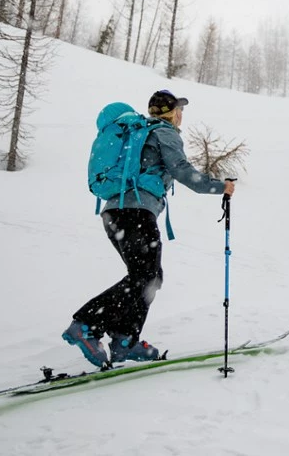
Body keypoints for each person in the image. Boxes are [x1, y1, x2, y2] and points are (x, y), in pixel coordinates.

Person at [63, 89, 235, 367]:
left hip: (115, 213)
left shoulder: (139, 133)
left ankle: (124, 339)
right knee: (146, 276)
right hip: (136, 211)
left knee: (148, 276)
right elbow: (182, 171)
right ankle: (86, 325)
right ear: (173, 112)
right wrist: (220, 187)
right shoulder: (164, 132)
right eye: (180, 110)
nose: (182, 115)